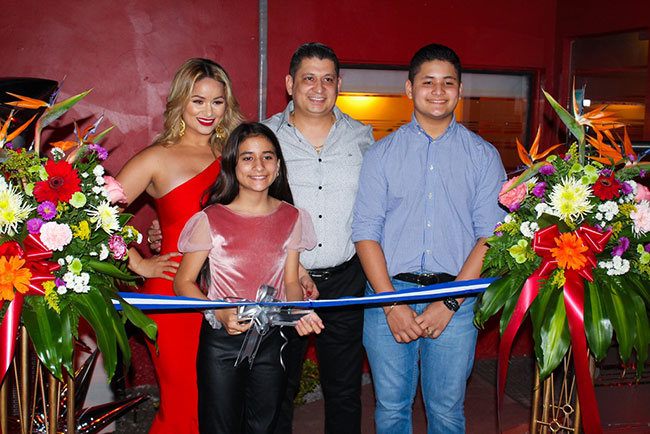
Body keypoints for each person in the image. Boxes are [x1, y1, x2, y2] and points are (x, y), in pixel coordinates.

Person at [351, 44, 506, 434]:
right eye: (428, 82)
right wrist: (391, 304)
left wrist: (451, 301)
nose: (438, 91)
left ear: (460, 90)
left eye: (448, 82)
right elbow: (365, 232)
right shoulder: (381, 155)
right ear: (409, 88)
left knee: (447, 411)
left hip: (457, 298)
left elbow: (491, 237)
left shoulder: (483, 156)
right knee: (391, 409)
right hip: (388, 294)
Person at [116, 58, 244, 434]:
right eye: (198, 101)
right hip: (174, 295)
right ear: (180, 103)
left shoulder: (235, 155)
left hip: (229, 290)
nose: (208, 111)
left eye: (217, 102)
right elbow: (95, 215)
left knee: (221, 406)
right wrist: (139, 262)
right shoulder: (157, 157)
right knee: (184, 403)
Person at [173, 122, 324, 434]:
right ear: (232, 164)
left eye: (267, 157)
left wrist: (299, 312)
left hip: (272, 338)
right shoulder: (211, 218)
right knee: (219, 427)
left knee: (264, 426)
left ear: (278, 165)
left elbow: (291, 281)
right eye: (247, 157)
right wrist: (218, 311)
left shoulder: (292, 217)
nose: (258, 166)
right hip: (222, 340)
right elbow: (183, 282)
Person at [263, 43, 374, 434]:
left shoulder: (362, 135)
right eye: (309, 78)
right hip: (282, 280)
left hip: (346, 280)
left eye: (328, 79)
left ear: (339, 84)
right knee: (278, 387)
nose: (319, 87)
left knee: (344, 390)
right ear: (289, 83)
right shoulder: (264, 136)